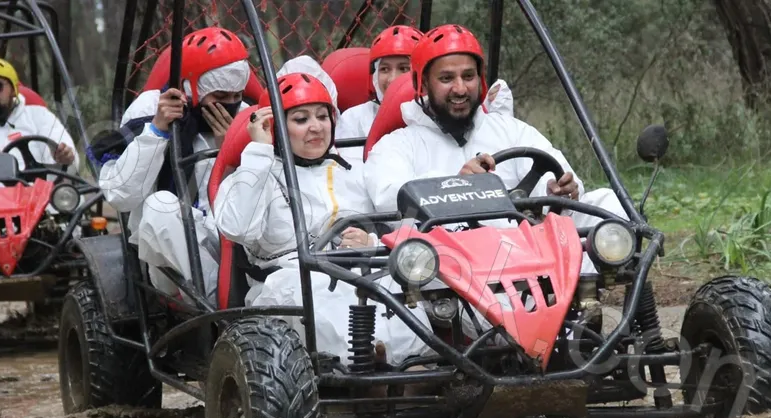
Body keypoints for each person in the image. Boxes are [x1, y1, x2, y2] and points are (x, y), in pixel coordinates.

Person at [213, 65, 432, 367]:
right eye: (301, 119)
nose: (316, 127)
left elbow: (394, 225)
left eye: (322, 116)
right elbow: (238, 228)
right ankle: (363, 371)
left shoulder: (354, 169)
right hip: (289, 278)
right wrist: (258, 153)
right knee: (314, 293)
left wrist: (369, 238)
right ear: (274, 126)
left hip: (358, 267)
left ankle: (411, 365)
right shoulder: (254, 173)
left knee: (397, 284)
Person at [363, 24, 626, 243]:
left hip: (530, 260)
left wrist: (563, 191)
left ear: (481, 79)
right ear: (422, 84)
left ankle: (594, 302)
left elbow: (560, 181)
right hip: (448, 279)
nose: (460, 89)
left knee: (610, 203)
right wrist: (454, 187)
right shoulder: (396, 146)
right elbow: (390, 203)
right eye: (446, 79)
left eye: (468, 76)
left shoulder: (510, 130)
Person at [94, 27, 252, 303]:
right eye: (220, 98)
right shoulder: (150, 107)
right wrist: (157, 131)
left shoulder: (244, 115)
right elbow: (121, 195)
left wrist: (231, 150)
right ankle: (223, 311)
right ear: (191, 89)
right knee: (159, 206)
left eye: (236, 96)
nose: (230, 105)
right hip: (171, 254)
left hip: (232, 243)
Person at [336, 25, 514, 156]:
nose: (393, 79)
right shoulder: (354, 119)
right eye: (384, 69)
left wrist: (498, 112)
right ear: (373, 75)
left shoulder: (459, 112)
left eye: (403, 68)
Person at [0, 56, 78, 172]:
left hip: (48, 193)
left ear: (13, 89)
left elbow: (71, 163)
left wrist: (65, 158)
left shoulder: (40, 116)